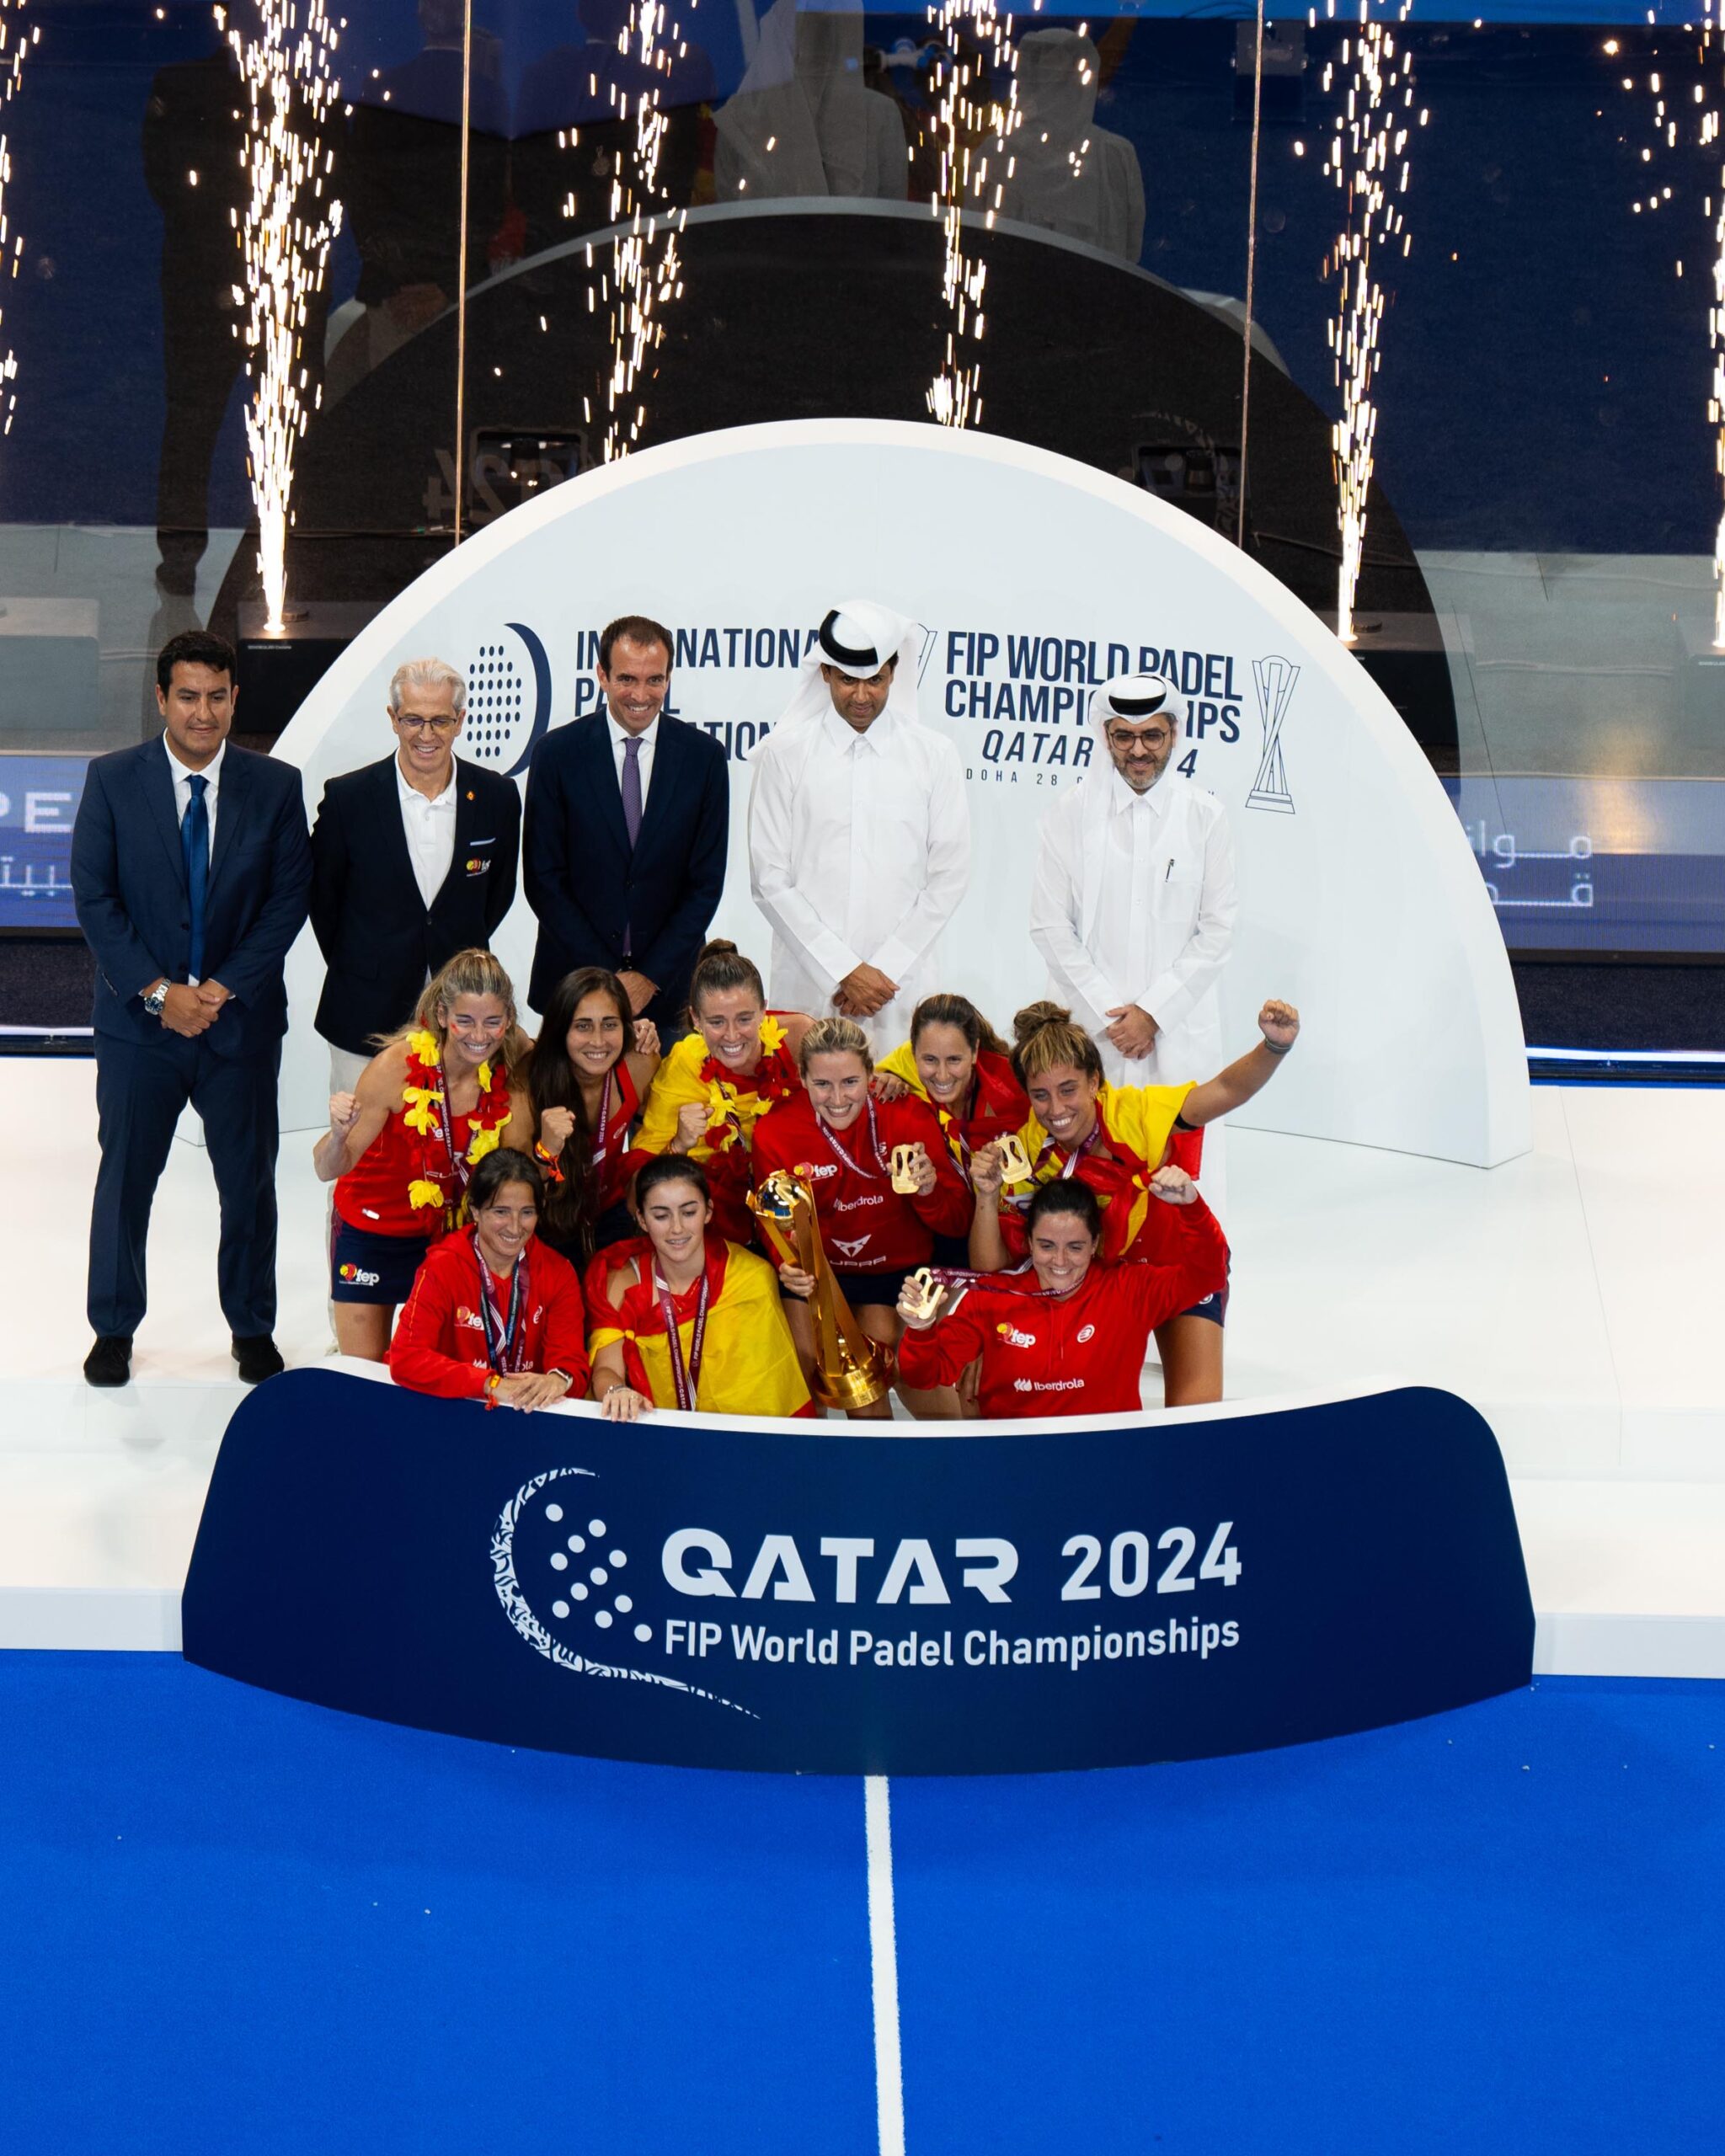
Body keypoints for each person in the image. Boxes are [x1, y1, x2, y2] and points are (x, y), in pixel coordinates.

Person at [71, 629, 312, 1388]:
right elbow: (95, 900)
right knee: (125, 1180)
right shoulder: (112, 780)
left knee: (249, 1185)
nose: (202, 713)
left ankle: (251, 1327)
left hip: (238, 1025)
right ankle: (113, 1329)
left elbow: (287, 902)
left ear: (235, 698)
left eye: (216, 697)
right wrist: (157, 993)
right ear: (160, 699)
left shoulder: (276, 787)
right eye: (187, 697)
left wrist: (220, 989)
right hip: (138, 1030)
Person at [965, 997, 1300, 1406]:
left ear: (1094, 1081)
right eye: (1041, 1095)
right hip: (1106, 1287)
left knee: (1192, 1419)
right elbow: (995, 1267)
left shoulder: (1136, 1114)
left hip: (1177, 1267)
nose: (1056, 1109)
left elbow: (1226, 1090)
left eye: (1068, 1090)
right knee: (1089, 1407)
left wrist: (1275, 1046)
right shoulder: (1025, 1152)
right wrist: (986, 1196)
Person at [748, 599, 969, 1056]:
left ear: (894, 673)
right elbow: (768, 880)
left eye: (876, 680)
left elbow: (949, 876)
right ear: (826, 672)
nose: (863, 696)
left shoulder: (935, 755)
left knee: (901, 1096)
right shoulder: (783, 754)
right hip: (809, 985)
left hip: (899, 987)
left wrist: (883, 971)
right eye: (849, 680)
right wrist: (842, 971)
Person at [1028, 672, 1237, 1131]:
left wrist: (1153, 1014)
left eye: (1152, 736)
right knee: (1086, 1152)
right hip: (1092, 1027)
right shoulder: (1069, 813)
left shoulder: (1205, 817)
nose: (1138, 750)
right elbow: (1049, 925)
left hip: (1176, 1030)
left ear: (1174, 734)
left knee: (1178, 1155)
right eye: (1124, 736)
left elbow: (1217, 931)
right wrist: (1111, 1016)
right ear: (1106, 737)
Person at [309, 655, 521, 1094]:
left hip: (462, 1017)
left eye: (440, 721)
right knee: (360, 1134)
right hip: (363, 1012)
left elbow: (497, 895)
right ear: (393, 719)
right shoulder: (348, 799)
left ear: (460, 720)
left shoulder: (497, 796)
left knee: (460, 1133)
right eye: (413, 720)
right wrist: (368, 962)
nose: (427, 735)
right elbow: (323, 901)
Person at [315, 948, 533, 1363]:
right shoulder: (395, 1068)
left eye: (492, 1022)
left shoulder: (512, 1054)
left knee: (440, 1371)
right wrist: (339, 1136)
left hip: (447, 1238)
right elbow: (326, 1168)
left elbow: (572, 1053)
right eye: (465, 1020)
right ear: (441, 1014)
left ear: (508, 1020)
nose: (479, 1035)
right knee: (366, 1374)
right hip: (372, 1232)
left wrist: (638, 1036)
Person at [750, 1015, 972, 1420]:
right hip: (821, 1274)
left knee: (881, 1363)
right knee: (808, 1366)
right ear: (802, 1078)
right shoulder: (775, 1131)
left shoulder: (906, 1114)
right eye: (822, 1083)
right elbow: (773, 1222)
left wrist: (928, 1192)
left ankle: (924, 1454)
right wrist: (788, 1264)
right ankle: (818, 1455)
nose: (837, 1098)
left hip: (895, 1271)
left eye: (850, 1081)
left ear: (871, 1074)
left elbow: (956, 1224)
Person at [524, 612, 729, 1033]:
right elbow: (543, 880)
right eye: (626, 679)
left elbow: (705, 884)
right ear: (602, 675)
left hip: (670, 994)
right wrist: (610, 980)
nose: (640, 694)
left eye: (654, 680)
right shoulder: (556, 754)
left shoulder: (704, 758)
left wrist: (648, 977)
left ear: (669, 678)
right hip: (573, 989)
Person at [896, 1177, 1226, 1419]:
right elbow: (925, 1375)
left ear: (1095, 1244)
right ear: (1028, 1242)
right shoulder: (993, 1297)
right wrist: (921, 1329)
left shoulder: (1129, 1289)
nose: (1060, 1261)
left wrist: (1191, 1207)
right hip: (1014, 1462)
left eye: (1075, 1247)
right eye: (1047, 1246)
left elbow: (1208, 1276)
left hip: (1108, 1458)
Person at [586, 1156, 814, 1420]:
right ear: (642, 1219)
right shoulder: (620, 1282)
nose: (676, 1228)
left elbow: (776, 1389)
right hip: (662, 1432)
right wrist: (616, 1391)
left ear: (708, 1211)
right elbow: (606, 1369)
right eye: (661, 1216)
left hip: (752, 1437)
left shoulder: (751, 1277)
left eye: (689, 1213)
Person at [633, 940, 812, 1246]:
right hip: (715, 1221)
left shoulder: (796, 1039)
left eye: (744, 1019)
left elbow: (850, 1087)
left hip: (802, 1202)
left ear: (763, 1010)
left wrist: (891, 1078)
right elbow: (639, 1188)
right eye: (716, 1022)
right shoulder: (684, 1064)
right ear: (696, 1019)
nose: (731, 1036)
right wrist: (679, 1144)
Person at [387, 1150, 590, 1407]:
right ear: (475, 1210)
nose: (515, 1227)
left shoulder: (558, 1272)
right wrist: (490, 1384)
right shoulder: (442, 1267)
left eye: (527, 1212)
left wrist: (559, 1378)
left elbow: (572, 1365)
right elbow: (405, 1358)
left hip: (527, 1411)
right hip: (452, 1409)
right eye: (501, 1212)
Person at [526, 967, 661, 1262]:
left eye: (609, 1024)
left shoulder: (640, 1065)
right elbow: (515, 1194)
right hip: (546, 1221)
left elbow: (649, 1148)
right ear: (561, 1029)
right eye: (583, 1026)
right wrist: (545, 1151)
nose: (598, 1041)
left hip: (612, 1214)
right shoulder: (528, 1084)